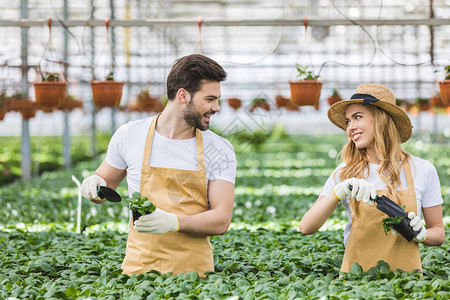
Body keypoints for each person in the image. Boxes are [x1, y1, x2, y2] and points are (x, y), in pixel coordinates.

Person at [80, 54, 236, 277]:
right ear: (183, 95)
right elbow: (103, 190)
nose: (217, 107)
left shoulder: (220, 149)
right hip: (139, 274)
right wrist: (94, 183)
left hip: (194, 279)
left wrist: (174, 222)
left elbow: (221, 220)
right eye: (210, 99)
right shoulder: (130, 135)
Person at [299, 83, 445, 273]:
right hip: (356, 284)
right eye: (347, 121)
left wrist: (423, 234)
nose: (351, 127)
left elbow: (439, 233)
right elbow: (306, 227)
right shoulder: (344, 172)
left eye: (357, 117)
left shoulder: (423, 170)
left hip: (407, 285)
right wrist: (339, 191)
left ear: (382, 119)